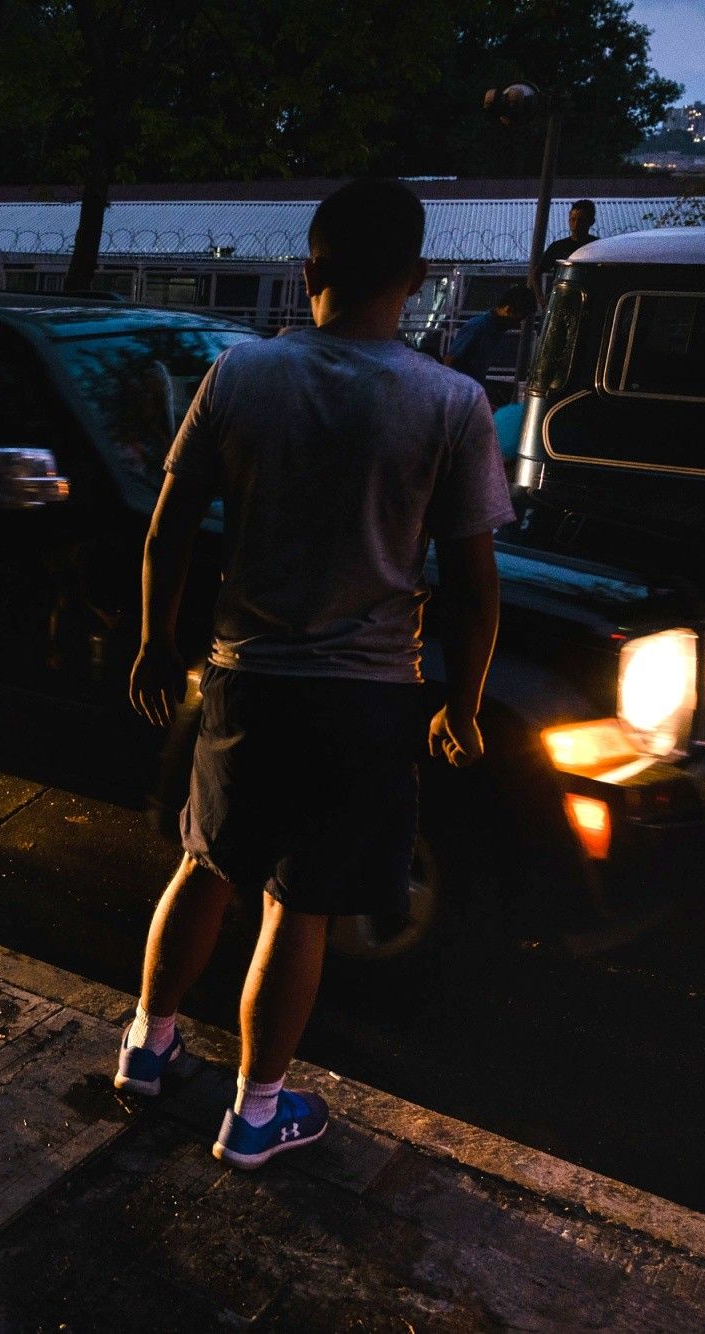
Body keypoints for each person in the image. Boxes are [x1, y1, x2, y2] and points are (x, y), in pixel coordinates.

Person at [116, 178, 513, 1169]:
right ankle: (256, 1112)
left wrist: (153, 641)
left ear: (309, 271)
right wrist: (460, 705)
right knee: (300, 906)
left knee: (203, 863)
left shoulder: (238, 374)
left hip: (244, 679)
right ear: (417, 281)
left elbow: (167, 527)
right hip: (366, 695)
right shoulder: (450, 403)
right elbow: (471, 585)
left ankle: (145, 1049)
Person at [443, 284, 535, 388]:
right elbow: (449, 360)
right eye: (518, 319)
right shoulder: (478, 326)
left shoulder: (496, 330)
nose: (517, 324)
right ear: (507, 309)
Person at [537, 199, 598, 282]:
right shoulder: (558, 247)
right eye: (572, 220)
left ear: (591, 222)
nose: (575, 225)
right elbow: (536, 274)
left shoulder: (597, 246)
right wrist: (540, 295)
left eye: (581, 221)